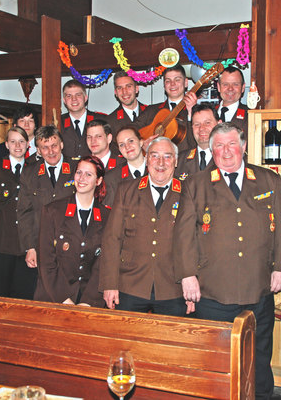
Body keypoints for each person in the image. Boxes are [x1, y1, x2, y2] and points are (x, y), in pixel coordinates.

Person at [173, 122, 281, 399]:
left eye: (231, 145)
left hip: (258, 286)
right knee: (216, 359)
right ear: (211, 150)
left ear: (243, 147)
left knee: (260, 355)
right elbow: (183, 235)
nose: (226, 152)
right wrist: (187, 275)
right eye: (219, 146)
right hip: (214, 290)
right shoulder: (195, 184)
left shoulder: (268, 180)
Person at [100, 136, 187, 316]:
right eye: (155, 156)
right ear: (147, 159)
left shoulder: (188, 192)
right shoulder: (126, 190)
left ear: (176, 161)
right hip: (130, 284)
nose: (161, 163)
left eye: (168, 156)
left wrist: (192, 286)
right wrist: (109, 284)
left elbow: (195, 242)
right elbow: (112, 239)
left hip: (174, 287)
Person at [35, 155, 110, 307]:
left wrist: (87, 302)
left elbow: (103, 264)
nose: (81, 178)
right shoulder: (53, 211)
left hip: (89, 299)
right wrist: (64, 300)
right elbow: (47, 261)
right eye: (79, 172)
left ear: (99, 181)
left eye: (88, 174)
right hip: (54, 296)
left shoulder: (106, 216)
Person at [0, 126, 36, 299]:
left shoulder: (34, 169)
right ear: (6, 144)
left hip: (27, 244)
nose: (17, 146)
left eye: (22, 141)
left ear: (28, 145)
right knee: (0, 294)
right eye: (13, 141)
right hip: (1, 241)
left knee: (24, 294)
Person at [17, 126, 76, 272]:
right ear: (38, 150)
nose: (51, 152)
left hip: (72, 244)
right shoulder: (29, 173)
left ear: (61, 145)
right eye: (45, 147)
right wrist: (30, 247)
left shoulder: (77, 168)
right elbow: (25, 212)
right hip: (42, 245)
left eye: (54, 146)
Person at [136, 65, 197, 152]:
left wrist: (191, 112)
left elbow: (198, 143)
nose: (172, 84)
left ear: (186, 82)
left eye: (177, 80)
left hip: (185, 164)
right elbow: (131, 129)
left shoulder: (197, 111)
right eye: (168, 81)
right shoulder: (151, 110)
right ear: (164, 85)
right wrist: (141, 142)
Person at [59, 79, 107, 159]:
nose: (74, 99)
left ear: (85, 98)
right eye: (69, 96)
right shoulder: (58, 123)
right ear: (64, 100)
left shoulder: (101, 120)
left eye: (78, 95)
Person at [103, 125, 146, 207]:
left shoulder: (157, 169)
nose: (127, 147)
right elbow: (111, 214)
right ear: (119, 150)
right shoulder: (112, 178)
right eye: (122, 145)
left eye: (131, 141)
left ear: (141, 142)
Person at [176, 102, 220, 179]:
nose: (202, 128)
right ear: (192, 127)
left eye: (207, 123)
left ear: (219, 124)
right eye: (197, 124)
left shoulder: (229, 157)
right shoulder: (180, 160)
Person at [106, 71, 148, 138]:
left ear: (136, 89)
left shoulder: (150, 112)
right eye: (119, 88)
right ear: (115, 92)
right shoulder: (110, 121)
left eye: (128, 86)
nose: (124, 92)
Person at [216, 66, 249, 136]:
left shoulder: (250, 115)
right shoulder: (209, 114)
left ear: (243, 87)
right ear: (219, 87)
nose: (230, 88)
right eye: (225, 84)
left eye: (235, 84)